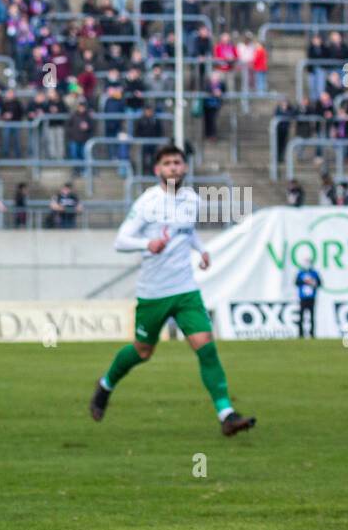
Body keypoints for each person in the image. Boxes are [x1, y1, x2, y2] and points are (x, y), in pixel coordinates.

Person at [89, 145, 256, 435]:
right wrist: (147, 244)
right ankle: (105, 385)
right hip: (153, 293)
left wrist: (201, 250)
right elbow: (121, 240)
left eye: (177, 163)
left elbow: (187, 231)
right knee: (142, 352)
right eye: (167, 164)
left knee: (205, 345)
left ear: (185, 168)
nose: (173, 168)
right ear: (157, 171)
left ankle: (226, 414)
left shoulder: (192, 200)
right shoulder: (147, 203)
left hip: (185, 290)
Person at [294, 259, 322, 338]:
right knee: (301, 316)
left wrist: (313, 282)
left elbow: (320, 283)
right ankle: (300, 334)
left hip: (312, 298)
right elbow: (296, 282)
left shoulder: (314, 273)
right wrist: (305, 282)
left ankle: (312, 333)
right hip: (303, 298)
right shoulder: (300, 273)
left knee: (312, 316)